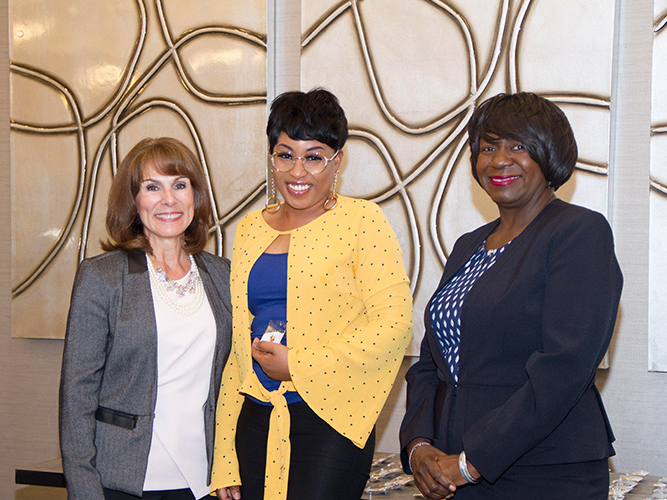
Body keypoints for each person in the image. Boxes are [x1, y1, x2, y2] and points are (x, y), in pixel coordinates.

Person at [400, 92, 623, 500]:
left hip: (544, 473)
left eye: (518, 145)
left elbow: (564, 367)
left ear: (550, 152)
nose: (499, 160)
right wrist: (419, 446)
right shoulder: (469, 246)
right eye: (488, 147)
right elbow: (429, 363)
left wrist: (472, 461)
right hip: (451, 471)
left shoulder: (579, 233)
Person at [211, 89, 413, 500]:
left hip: (331, 419)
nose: (297, 171)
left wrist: (299, 365)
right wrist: (224, 458)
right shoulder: (250, 228)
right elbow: (237, 345)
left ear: (337, 160)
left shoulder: (363, 221)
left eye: (314, 156)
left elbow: (394, 326)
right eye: (285, 155)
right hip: (254, 416)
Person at [59, 137, 232, 500]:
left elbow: (232, 381)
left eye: (179, 185)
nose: (168, 200)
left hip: (204, 482)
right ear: (133, 202)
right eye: (152, 187)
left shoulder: (222, 275)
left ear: (195, 197)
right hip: (125, 481)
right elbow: (77, 394)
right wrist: (84, 489)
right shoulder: (102, 277)